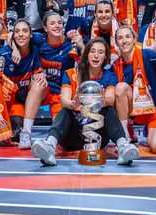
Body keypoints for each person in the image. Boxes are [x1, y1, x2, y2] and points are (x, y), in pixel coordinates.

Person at [31, 37, 140, 166]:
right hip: (72, 136)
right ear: (86, 54)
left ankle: (123, 146)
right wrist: (74, 103)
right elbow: (64, 100)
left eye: (100, 52)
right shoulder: (71, 74)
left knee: (109, 110)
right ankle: (49, 146)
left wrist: (92, 101)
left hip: (98, 134)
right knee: (66, 110)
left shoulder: (109, 76)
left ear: (105, 57)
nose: (96, 55)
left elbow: (110, 100)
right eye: (92, 51)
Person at [112, 26, 156, 154]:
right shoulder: (116, 65)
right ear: (116, 42)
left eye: (128, 36)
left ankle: (153, 128)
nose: (124, 41)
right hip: (137, 111)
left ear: (134, 39)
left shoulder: (147, 55)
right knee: (120, 88)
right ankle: (124, 136)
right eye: (120, 38)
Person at [0, 19, 45, 148]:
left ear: (31, 35)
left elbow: (37, 73)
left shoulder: (35, 51)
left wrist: (41, 75)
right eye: (17, 31)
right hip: (4, 102)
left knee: (16, 134)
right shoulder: (3, 54)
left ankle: (26, 132)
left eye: (25, 31)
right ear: (13, 35)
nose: (21, 34)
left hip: (19, 101)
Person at [27, 12, 76, 121]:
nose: (57, 26)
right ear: (45, 28)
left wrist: (79, 42)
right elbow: (12, 35)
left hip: (61, 93)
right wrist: (15, 50)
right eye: (52, 23)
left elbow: (86, 58)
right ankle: (27, 128)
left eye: (59, 23)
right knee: (37, 84)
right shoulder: (40, 39)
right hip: (44, 89)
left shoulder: (70, 43)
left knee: (59, 127)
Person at [78, 0, 120, 65]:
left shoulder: (120, 27)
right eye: (100, 12)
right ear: (95, 14)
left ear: (113, 14)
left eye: (107, 11)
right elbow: (77, 36)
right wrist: (82, 47)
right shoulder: (87, 23)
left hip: (114, 64)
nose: (103, 15)